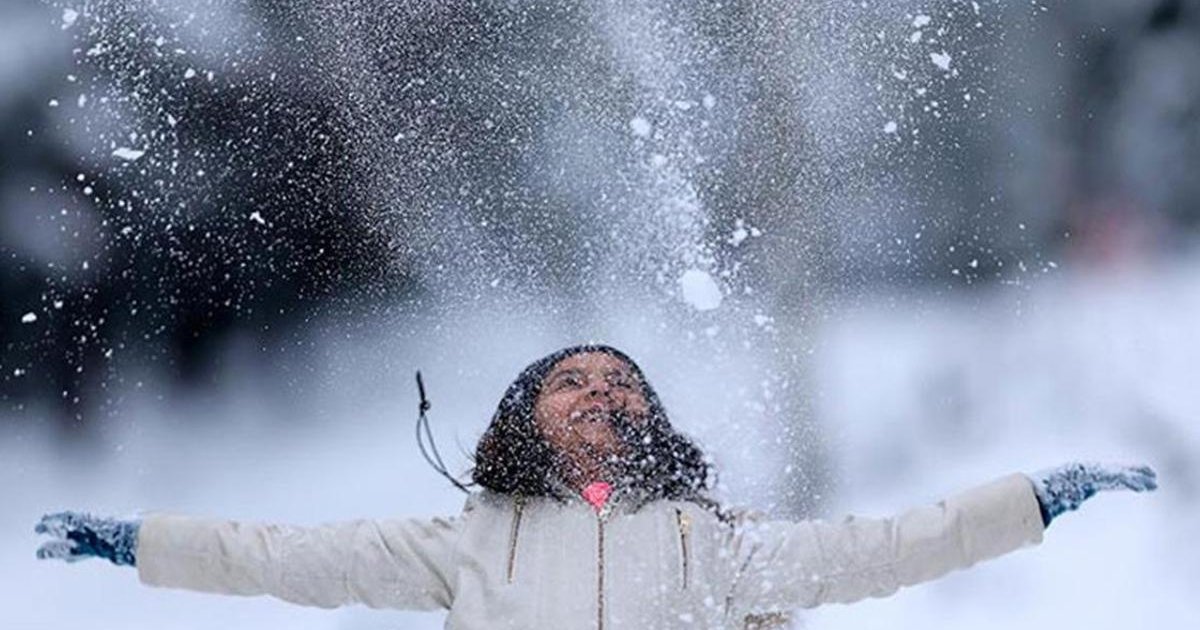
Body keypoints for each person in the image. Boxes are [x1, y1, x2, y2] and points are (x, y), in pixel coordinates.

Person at [35, 344, 1157, 629]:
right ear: (525, 418)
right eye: (569, 381)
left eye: (622, 383)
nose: (598, 394)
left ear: (651, 421)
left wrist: (1037, 500)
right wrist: (134, 541)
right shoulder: (464, 545)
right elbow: (277, 556)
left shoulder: (719, 546)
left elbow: (894, 544)